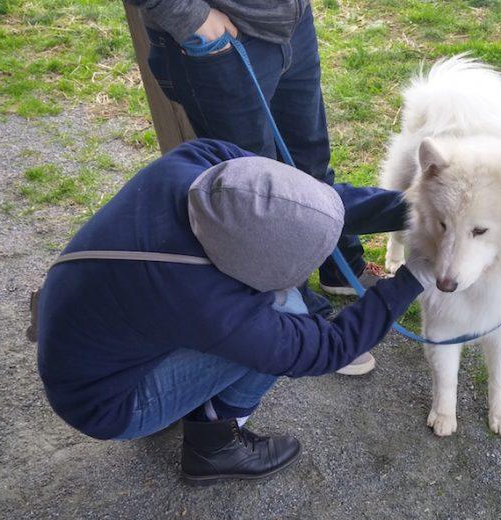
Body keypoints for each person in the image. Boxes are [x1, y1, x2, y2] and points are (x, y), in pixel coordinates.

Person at [35, 140, 432, 485]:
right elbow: (327, 348)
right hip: (104, 402)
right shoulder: (206, 302)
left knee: (276, 309)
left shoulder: (201, 161)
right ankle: (213, 445)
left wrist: (422, 209)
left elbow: (298, 204)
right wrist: (414, 275)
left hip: (89, 323)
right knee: (291, 311)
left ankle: (183, 396)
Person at [129, 0, 405, 373]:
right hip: (218, 36)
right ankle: (306, 320)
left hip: (290, 22)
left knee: (311, 167)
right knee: (261, 203)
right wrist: (191, 15)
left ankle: (341, 266)